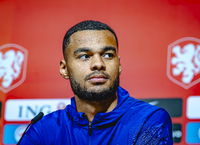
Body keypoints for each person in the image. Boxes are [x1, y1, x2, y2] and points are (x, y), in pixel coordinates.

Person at [19, 20, 173, 144]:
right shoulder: (43, 129)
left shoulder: (148, 120)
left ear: (119, 65)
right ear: (64, 69)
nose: (98, 63)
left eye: (107, 55)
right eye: (85, 56)